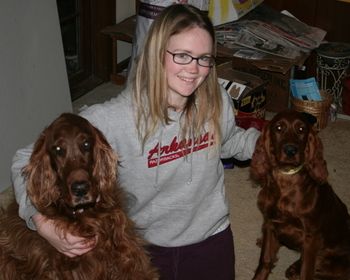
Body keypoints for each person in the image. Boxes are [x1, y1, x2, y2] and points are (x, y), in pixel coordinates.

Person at [12, 4, 260, 280]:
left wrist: (267, 145)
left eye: (204, 58)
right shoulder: (115, 117)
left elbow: (229, 140)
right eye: (182, 56)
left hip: (210, 234)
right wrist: (41, 222)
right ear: (156, 55)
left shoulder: (216, 100)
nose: (195, 70)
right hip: (147, 243)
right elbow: (26, 159)